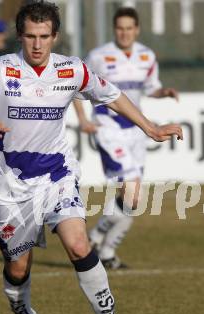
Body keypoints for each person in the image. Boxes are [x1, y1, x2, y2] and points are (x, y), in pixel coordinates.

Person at [0, 2, 182, 314]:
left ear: (55, 36)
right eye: (30, 36)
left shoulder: (72, 70)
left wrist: (150, 127)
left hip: (58, 174)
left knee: (77, 244)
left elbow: (113, 96)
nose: (37, 45)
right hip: (11, 185)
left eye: (44, 37)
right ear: (20, 36)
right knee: (17, 267)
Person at [74, 7, 179, 269]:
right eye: (120, 28)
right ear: (114, 29)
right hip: (109, 127)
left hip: (136, 130)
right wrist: (84, 120)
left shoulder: (147, 55)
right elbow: (76, 87)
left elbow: (150, 87)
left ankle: (104, 248)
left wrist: (163, 92)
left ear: (137, 29)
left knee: (133, 199)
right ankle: (99, 239)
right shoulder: (99, 56)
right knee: (132, 194)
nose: (124, 33)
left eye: (129, 28)